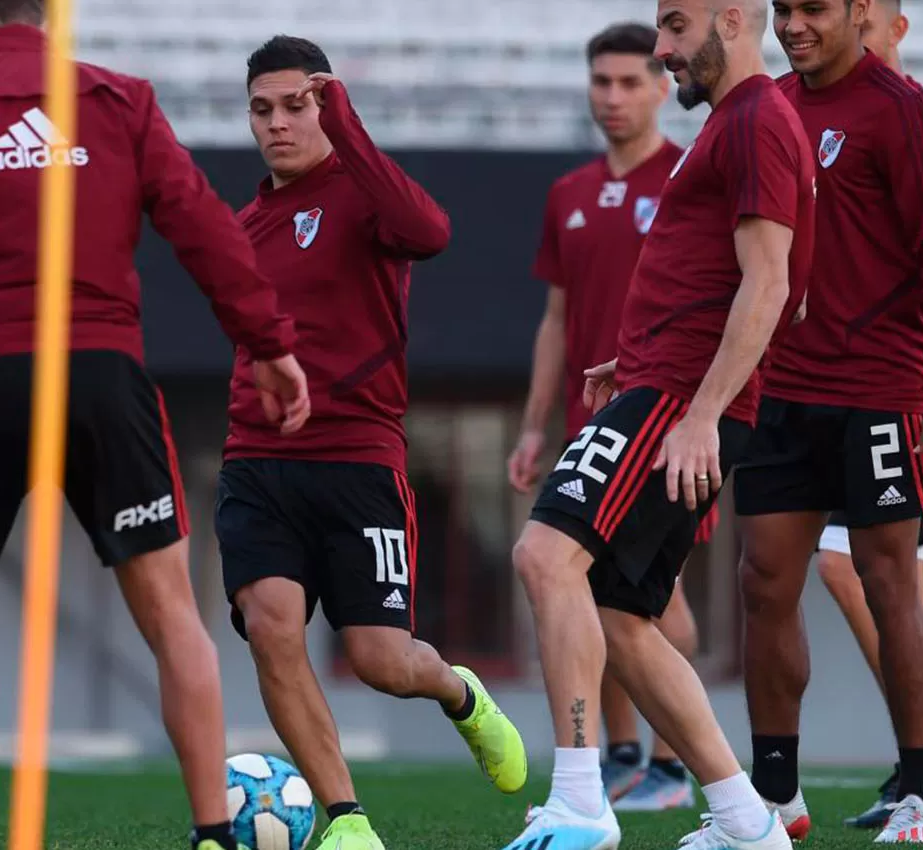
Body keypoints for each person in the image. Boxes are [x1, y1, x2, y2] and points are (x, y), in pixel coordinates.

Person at [0, 3, 309, 850]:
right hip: (103, 377)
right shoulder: (120, 99)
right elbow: (202, 225)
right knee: (170, 612)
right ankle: (212, 832)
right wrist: (268, 343)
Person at [499, 1, 814, 848]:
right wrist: (633, 359)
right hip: (663, 383)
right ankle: (749, 823)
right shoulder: (734, 122)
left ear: (733, 20)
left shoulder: (753, 122)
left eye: (675, 27)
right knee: (618, 615)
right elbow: (722, 276)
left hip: (682, 399)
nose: (663, 48)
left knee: (545, 554)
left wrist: (700, 410)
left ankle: (578, 802)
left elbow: (772, 284)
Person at [218, 35, 526, 850]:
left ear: (324, 103)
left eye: (295, 104)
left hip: (358, 459)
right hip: (257, 462)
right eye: (262, 109)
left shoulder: (364, 195)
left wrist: (346, 122)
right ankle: (346, 819)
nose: (278, 124)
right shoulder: (244, 224)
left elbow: (430, 231)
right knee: (273, 624)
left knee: (381, 661)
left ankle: (460, 694)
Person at [734, 0, 923, 842]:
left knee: (889, 580)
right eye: (784, 11)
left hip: (882, 386)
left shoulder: (905, 112)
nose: (795, 26)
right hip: (783, 386)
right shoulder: (769, 106)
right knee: (763, 580)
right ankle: (775, 798)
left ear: (858, 12)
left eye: (814, 10)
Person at [812, 0, 923, 828]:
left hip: (896, 386)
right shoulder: (808, 111)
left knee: (876, 570)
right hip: (819, 383)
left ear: (887, 26)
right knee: (851, 568)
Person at [510, 21, 701, 813]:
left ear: (663, 87)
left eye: (630, 81)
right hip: (590, 421)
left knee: (653, 603)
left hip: (664, 416)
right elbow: (556, 319)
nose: (614, 96)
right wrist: (531, 424)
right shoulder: (570, 194)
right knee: (591, 593)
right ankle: (623, 754)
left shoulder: (691, 177)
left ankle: (669, 763)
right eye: (602, 82)